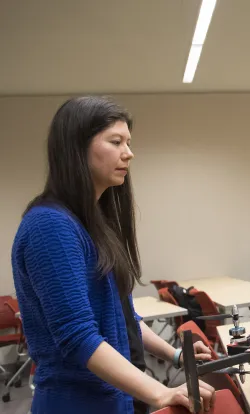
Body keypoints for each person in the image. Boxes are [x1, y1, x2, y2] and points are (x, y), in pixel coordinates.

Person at [11, 96, 216, 414]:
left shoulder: (92, 224)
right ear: (77, 148)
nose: (129, 153)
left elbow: (123, 316)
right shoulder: (49, 225)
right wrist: (160, 392)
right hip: (75, 403)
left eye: (129, 142)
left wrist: (175, 356)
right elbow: (77, 336)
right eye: (116, 141)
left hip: (112, 399)